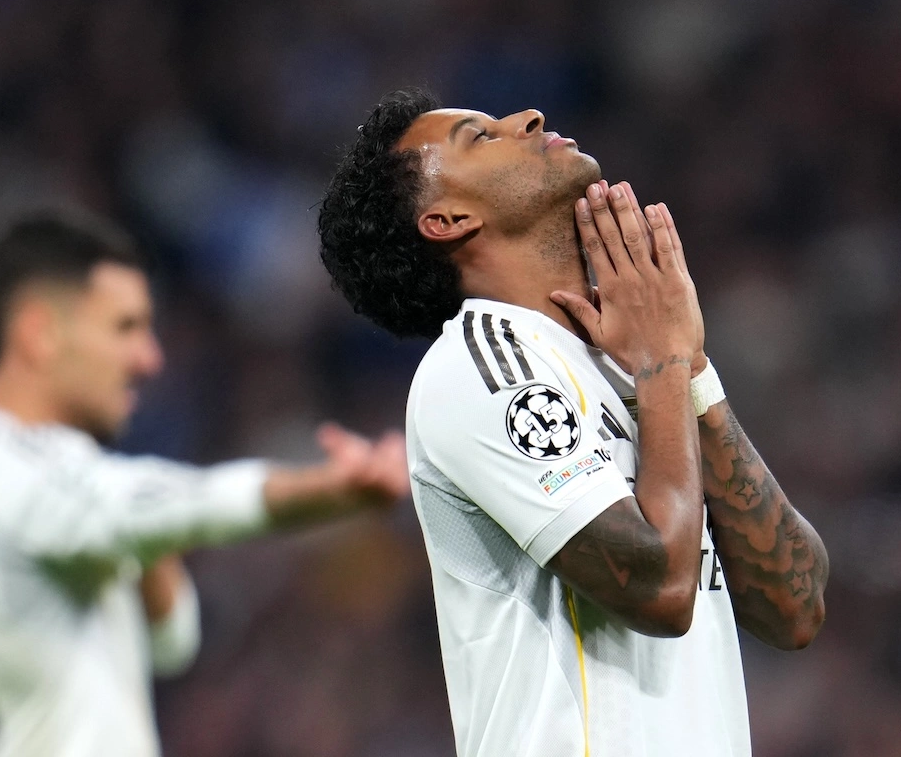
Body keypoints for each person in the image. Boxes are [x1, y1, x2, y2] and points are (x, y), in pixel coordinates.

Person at [317, 89, 830, 757]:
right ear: (446, 218)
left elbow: (795, 607)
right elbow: (663, 587)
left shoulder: (634, 364)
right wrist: (665, 367)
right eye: (480, 137)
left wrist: (692, 369)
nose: (526, 117)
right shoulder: (480, 369)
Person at [0, 208, 410, 757]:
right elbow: (202, 505)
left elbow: (169, 643)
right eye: (123, 329)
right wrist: (333, 490)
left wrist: (142, 534)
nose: (149, 359)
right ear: (38, 333)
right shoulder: (30, 483)